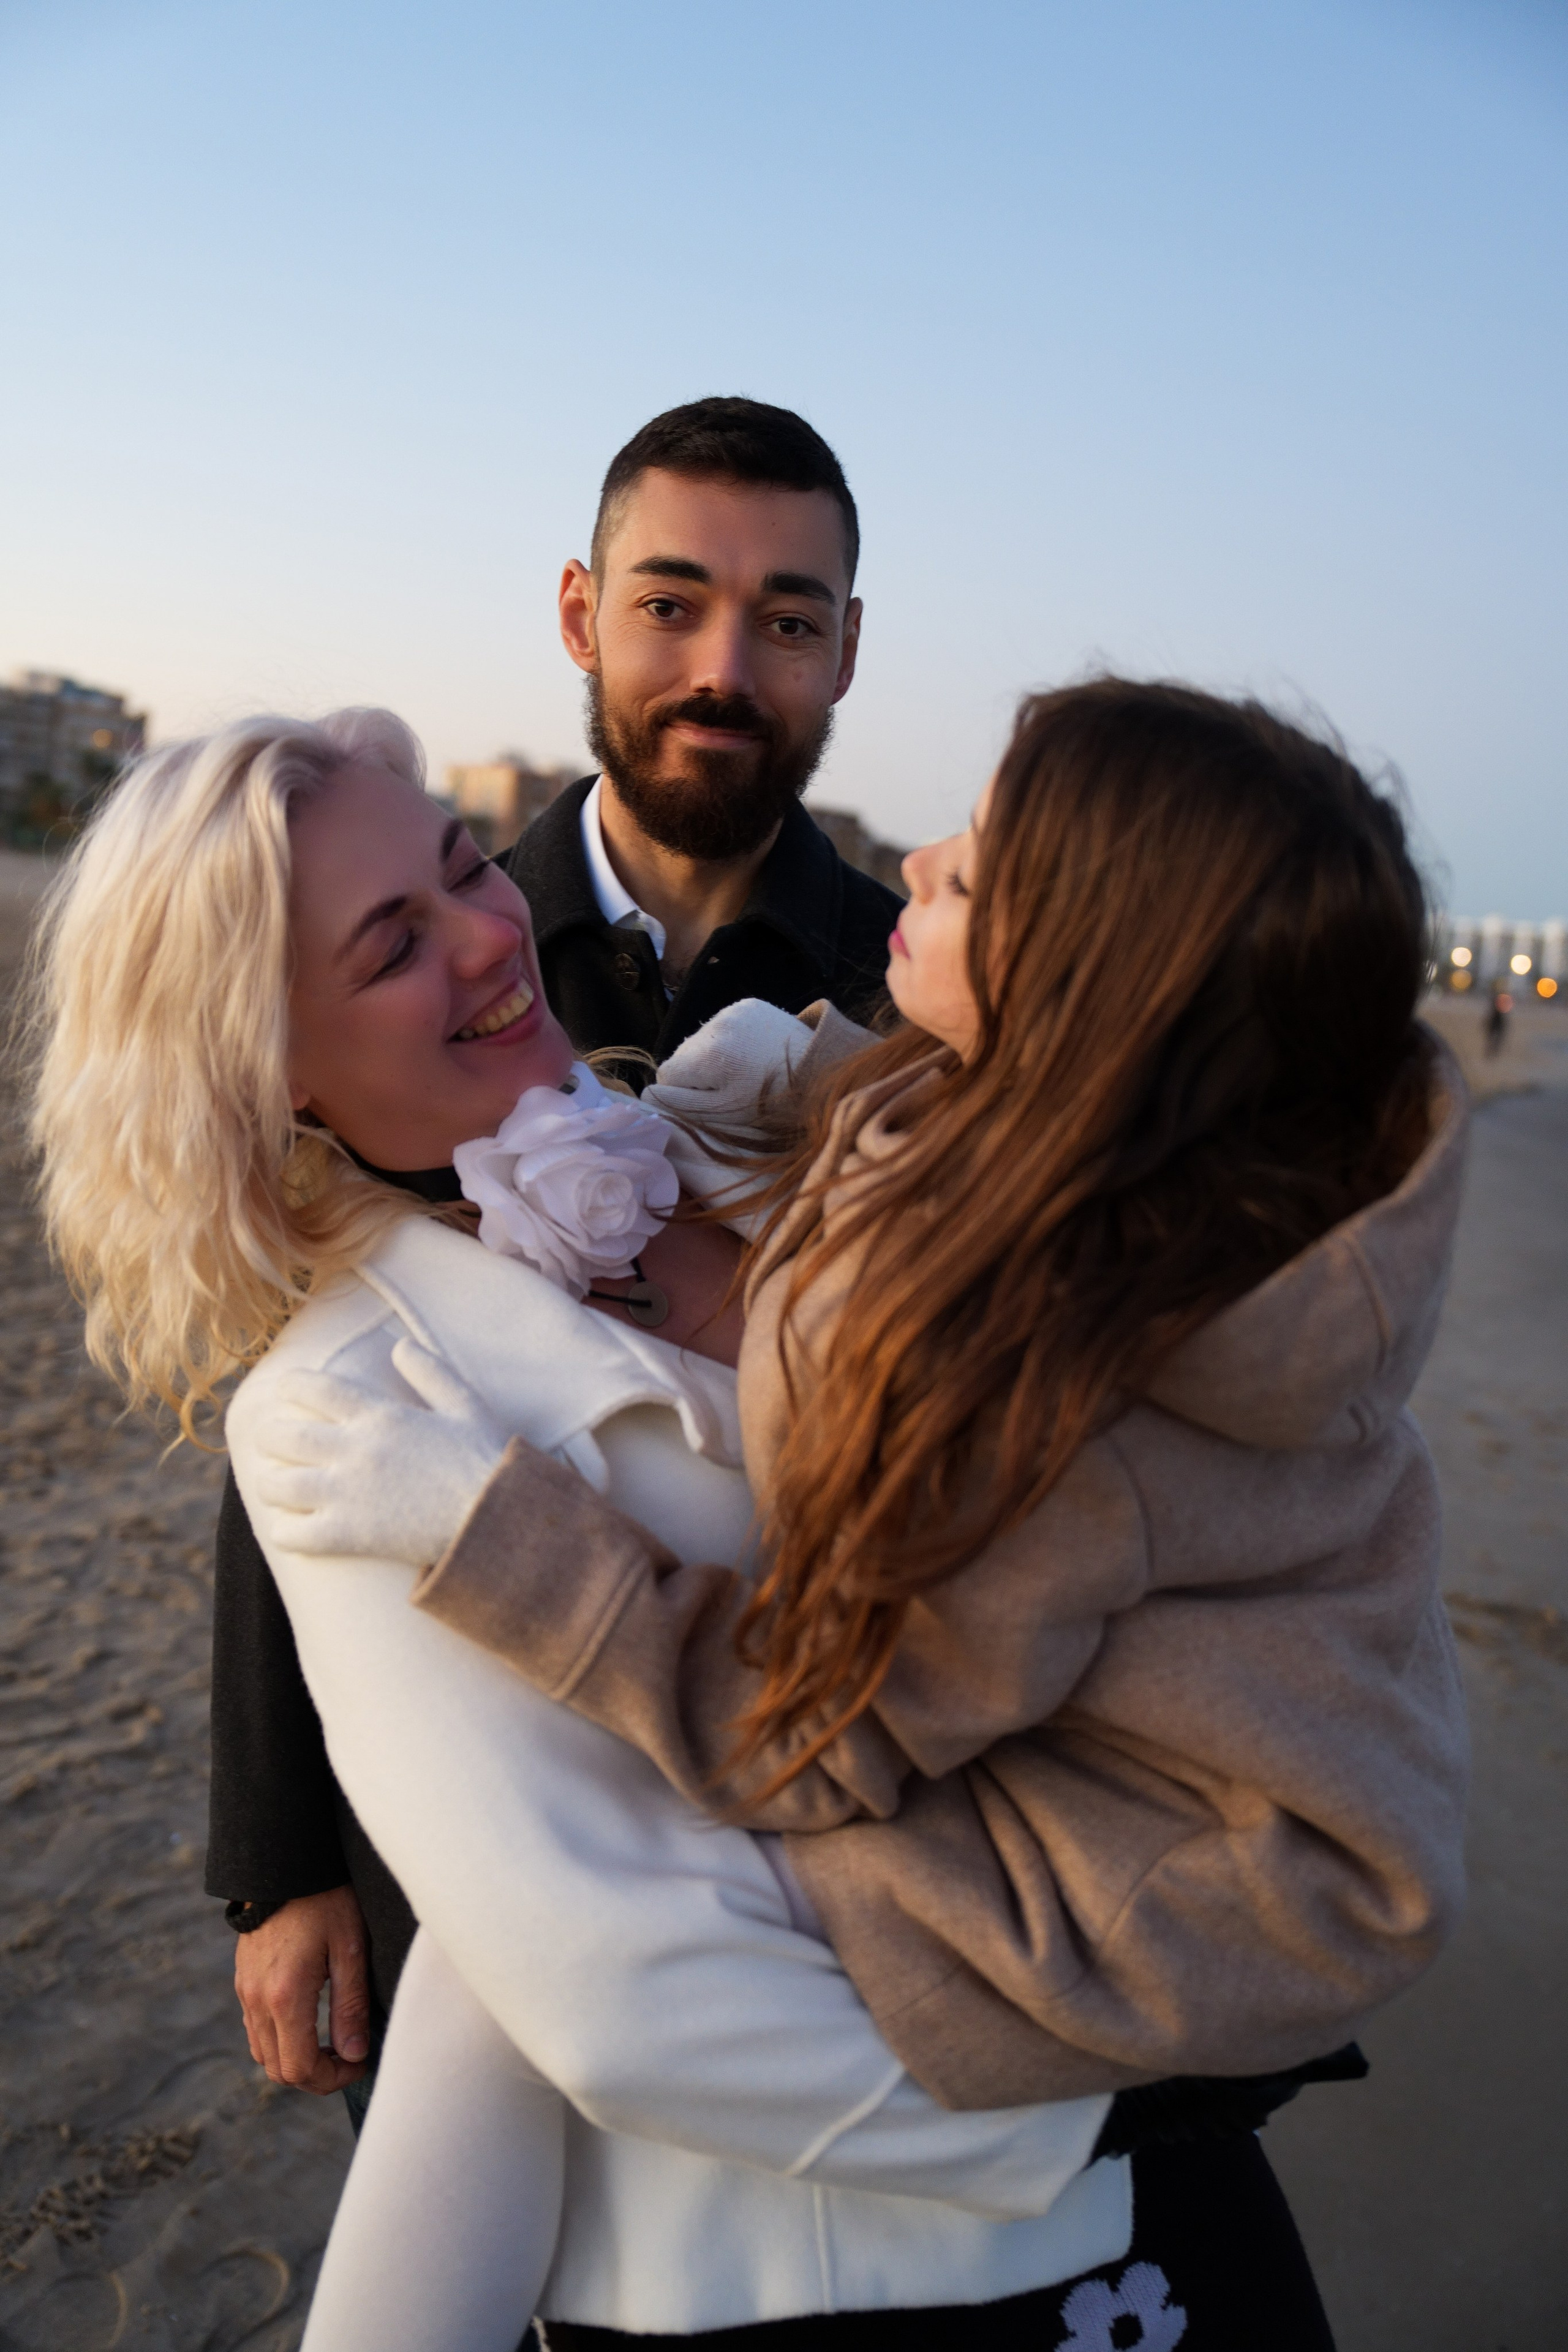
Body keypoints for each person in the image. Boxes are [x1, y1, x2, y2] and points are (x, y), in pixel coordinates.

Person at [28, 703, 1292, 2350]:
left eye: (467, 860)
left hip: (1144, 2089)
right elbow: (607, 1983)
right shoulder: (343, 1408)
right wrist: (1116, 2103)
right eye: (390, 943)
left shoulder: (724, 1126)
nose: (493, 932)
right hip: (871, 2230)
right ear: (260, 1073)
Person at [204, 397, 905, 2108]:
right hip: (465, 1797)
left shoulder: (920, 985)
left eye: (788, 620)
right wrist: (277, 1858)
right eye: (672, 604)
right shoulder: (404, 933)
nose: (723, 666)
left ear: (846, 655)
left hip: (799, 1799)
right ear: (585, 615)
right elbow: (295, 1418)